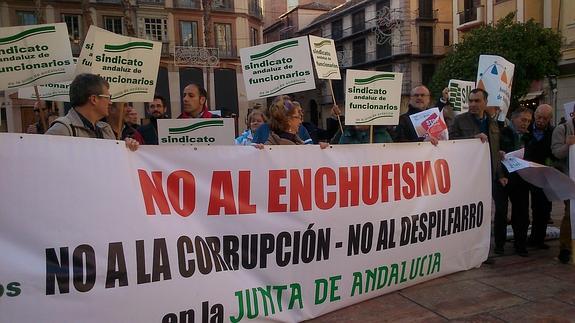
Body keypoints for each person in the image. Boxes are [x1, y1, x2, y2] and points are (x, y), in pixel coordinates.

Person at [45, 73, 138, 151]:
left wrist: (125, 149)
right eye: (108, 98)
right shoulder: (63, 129)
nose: (110, 102)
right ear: (94, 99)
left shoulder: (106, 129)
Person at [496, 107, 533, 257]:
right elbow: (495, 152)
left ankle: (520, 244)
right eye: (523, 120)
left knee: (522, 212)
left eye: (529, 121)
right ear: (513, 119)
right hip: (503, 177)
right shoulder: (501, 133)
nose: (526, 124)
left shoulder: (529, 137)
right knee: (501, 212)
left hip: (521, 178)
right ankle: (499, 245)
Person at [524, 104, 555, 250]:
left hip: (542, 173)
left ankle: (538, 238)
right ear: (534, 115)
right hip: (524, 171)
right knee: (522, 207)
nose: (541, 120)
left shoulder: (553, 132)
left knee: (542, 207)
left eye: (545, 118)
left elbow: (553, 153)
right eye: (539, 117)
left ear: (550, 119)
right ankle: (522, 239)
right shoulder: (525, 128)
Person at [551, 111, 575, 264]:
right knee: (569, 213)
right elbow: (556, 153)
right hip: (568, 178)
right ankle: (565, 249)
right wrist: (568, 145)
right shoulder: (562, 129)